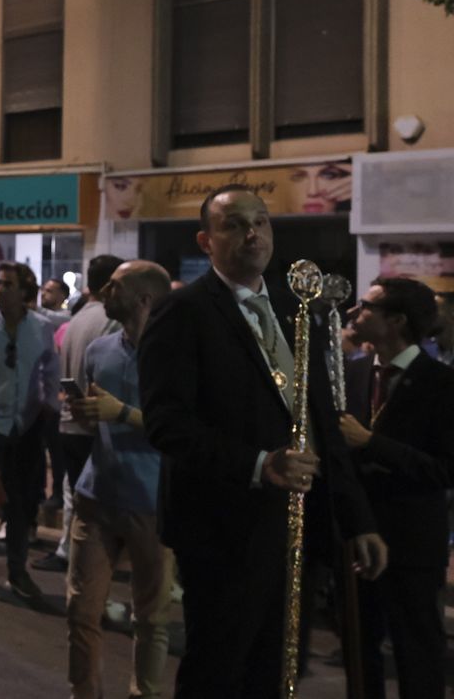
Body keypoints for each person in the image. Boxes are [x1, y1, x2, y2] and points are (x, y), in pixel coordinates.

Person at [140, 184, 386, 698]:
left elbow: (324, 423)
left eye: (260, 221)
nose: (251, 234)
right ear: (206, 241)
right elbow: (167, 423)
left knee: (276, 671)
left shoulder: (295, 311)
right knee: (218, 671)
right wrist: (259, 464)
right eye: (234, 224)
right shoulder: (184, 311)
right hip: (224, 528)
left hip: (298, 527)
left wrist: (357, 517)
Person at [338, 277, 454, 699]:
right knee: (358, 647)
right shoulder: (350, 373)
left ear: (397, 321)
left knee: (416, 649)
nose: (353, 312)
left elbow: (445, 470)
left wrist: (372, 443)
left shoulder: (440, 383)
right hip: (354, 533)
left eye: (366, 306)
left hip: (412, 540)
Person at [64, 260, 175, 699]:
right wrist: (86, 413)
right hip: (97, 495)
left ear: (144, 298)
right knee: (80, 610)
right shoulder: (99, 350)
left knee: (150, 617)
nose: (104, 292)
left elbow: (182, 428)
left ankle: (144, 693)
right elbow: (98, 423)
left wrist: (122, 413)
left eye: (115, 286)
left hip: (153, 501)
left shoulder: (176, 355)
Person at [35, 254, 122, 573]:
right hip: (94, 422)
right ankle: (88, 563)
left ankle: (68, 551)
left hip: (69, 421)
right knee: (94, 503)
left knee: (74, 493)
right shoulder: (110, 321)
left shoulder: (76, 320)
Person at [0, 261, 60, 604]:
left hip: (26, 426)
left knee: (21, 502)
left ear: (25, 292)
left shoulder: (41, 327)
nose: (0, 289)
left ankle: (17, 570)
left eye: (8, 284)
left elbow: (51, 368)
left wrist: (50, 406)